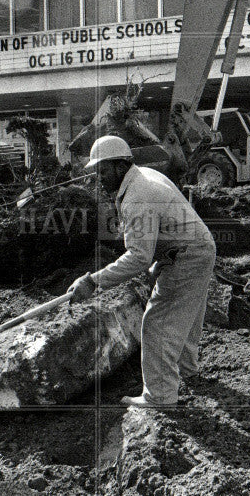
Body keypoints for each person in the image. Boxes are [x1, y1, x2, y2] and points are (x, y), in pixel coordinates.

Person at [68, 135, 217, 407]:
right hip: (199, 246)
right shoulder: (144, 176)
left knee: (157, 323)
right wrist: (160, 258)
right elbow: (165, 225)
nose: (99, 178)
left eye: (102, 171)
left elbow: (138, 255)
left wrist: (92, 281)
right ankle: (186, 370)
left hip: (186, 255)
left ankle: (160, 396)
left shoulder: (137, 196)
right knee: (187, 314)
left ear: (119, 166)